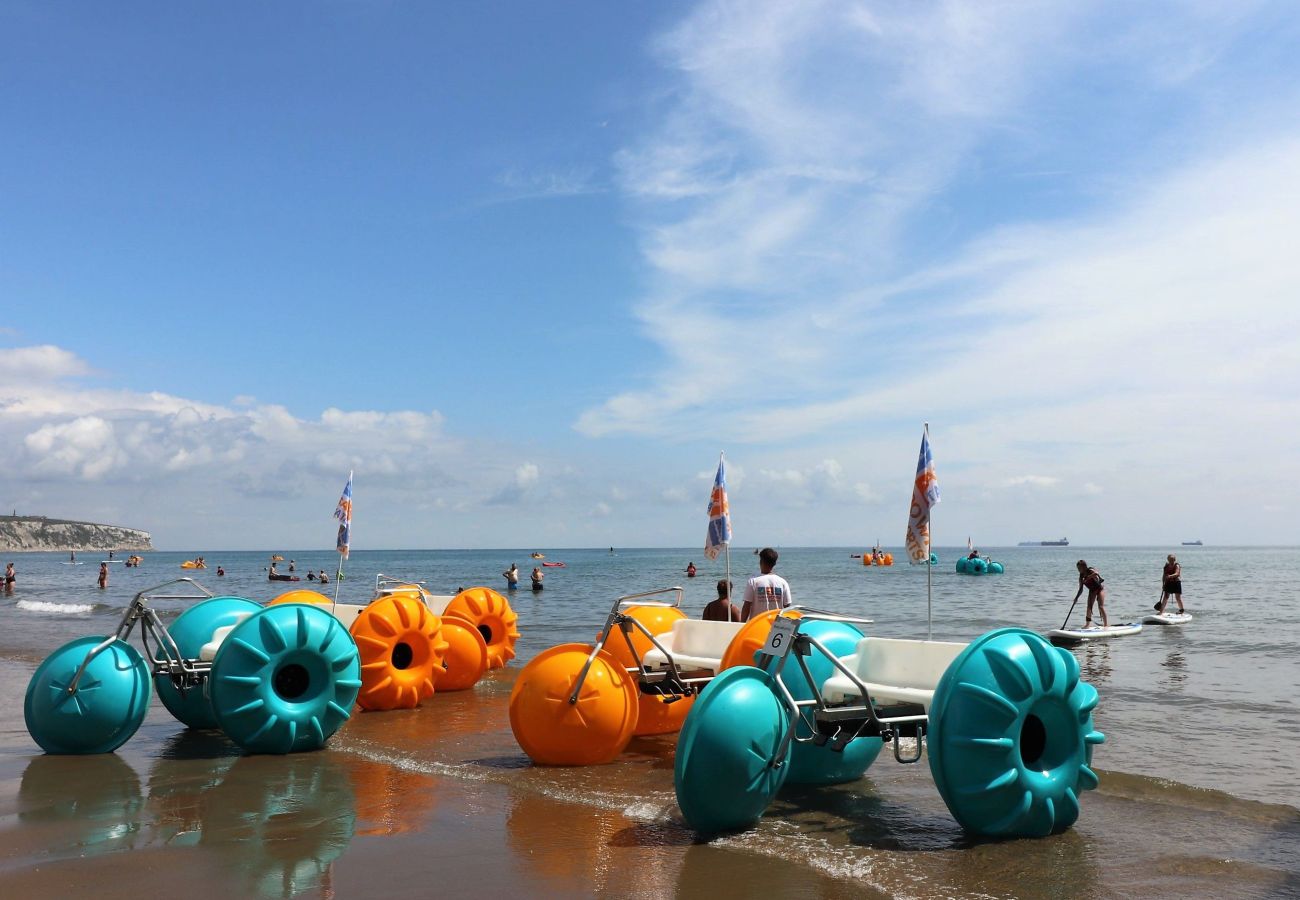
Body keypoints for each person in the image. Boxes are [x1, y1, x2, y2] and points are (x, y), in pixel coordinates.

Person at [741, 547, 793, 621]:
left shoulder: (753, 581)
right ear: (774, 564)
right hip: (775, 627)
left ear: (761, 561)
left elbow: (746, 606)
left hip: (757, 625)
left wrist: (741, 625)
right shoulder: (783, 583)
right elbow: (787, 608)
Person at [1072, 560, 1107, 628]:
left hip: (1100, 589)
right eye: (1078, 568)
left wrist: (1088, 577)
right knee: (1089, 607)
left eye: (1079, 568)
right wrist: (1076, 598)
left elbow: (1096, 573)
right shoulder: (1081, 577)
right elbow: (1081, 589)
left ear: (1084, 567)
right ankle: (1087, 624)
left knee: (1101, 607)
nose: (1078, 570)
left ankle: (1105, 625)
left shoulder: (1090, 570)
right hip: (1092, 591)